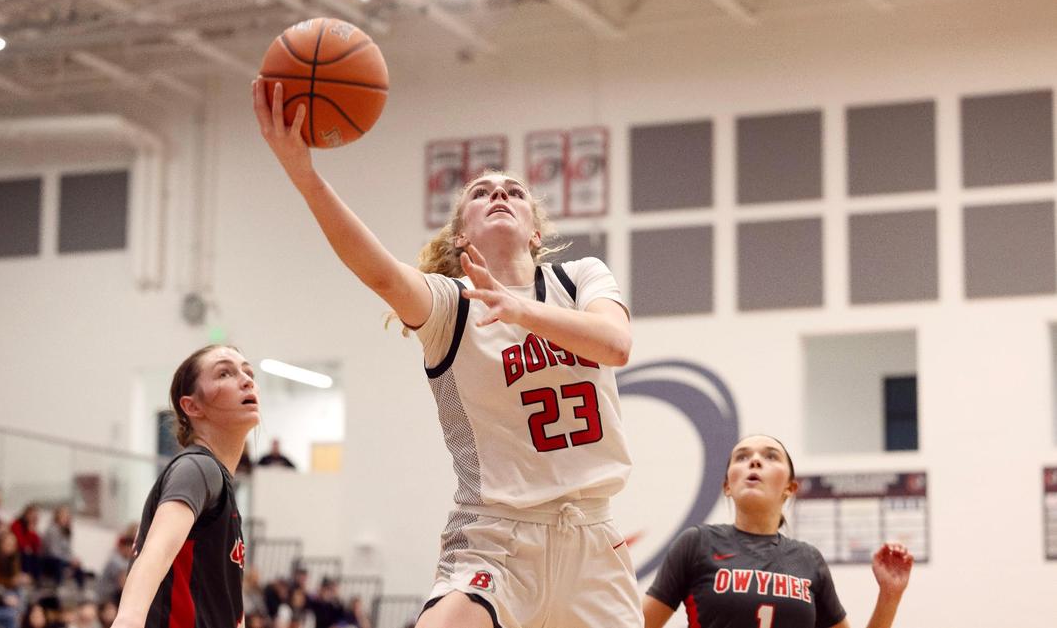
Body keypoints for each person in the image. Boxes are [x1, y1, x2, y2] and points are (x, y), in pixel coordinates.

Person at [254, 81, 639, 628]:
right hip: (495, 536)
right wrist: (304, 175)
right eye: (481, 193)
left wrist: (519, 309)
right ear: (462, 238)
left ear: (534, 232)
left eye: (514, 191)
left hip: (592, 539)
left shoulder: (580, 279)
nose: (500, 194)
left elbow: (616, 345)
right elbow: (381, 272)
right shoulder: (447, 306)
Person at [643, 435, 914, 628]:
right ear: (727, 485)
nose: (755, 462)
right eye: (742, 457)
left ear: (790, 488)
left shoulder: (808, 559)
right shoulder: (697, 543)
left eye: (770, 456)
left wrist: (889, 596)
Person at [108, 345, 259, 628]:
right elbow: (159, 550)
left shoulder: (216, 479)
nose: (247, 380)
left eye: (248, 372)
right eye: (225, 373)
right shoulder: (198, 468)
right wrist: (127, 621)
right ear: (192, 406)